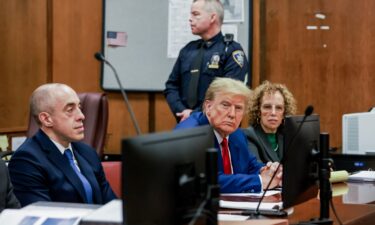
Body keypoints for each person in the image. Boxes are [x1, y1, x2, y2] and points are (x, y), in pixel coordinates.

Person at [8, 83, 116, 206]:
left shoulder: (87, 152)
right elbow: (43, 216)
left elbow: (111, 205)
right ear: (46, 119)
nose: (81, 116)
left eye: (79, 107)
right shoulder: (27, 160)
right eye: (70, 110)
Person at [175, 78, 282, 193]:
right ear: (208, 106)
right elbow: (210, 181)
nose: (232, 114)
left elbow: (250, 165)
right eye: (225, 105)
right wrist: (260, 181)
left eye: (238, 108)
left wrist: (266, 171)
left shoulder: (237, 134)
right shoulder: (191, 134)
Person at [164, 0, 249, 122]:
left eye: (196, 14)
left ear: (212, 17)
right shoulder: (188, 50)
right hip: (185, 123)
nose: (190, 19)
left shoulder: (231, 50)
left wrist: (195, 115)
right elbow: (171, 86)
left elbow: (228, 93)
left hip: (217, 126)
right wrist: (182, 112)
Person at [243, 81, 297, 163]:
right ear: (258, 111)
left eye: (279, 108)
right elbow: (258, 168)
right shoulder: (249, 136)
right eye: (267, 107)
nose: (273, 113)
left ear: (284, 113)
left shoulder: (288, 136)